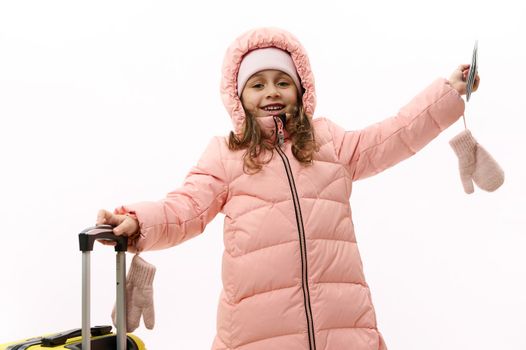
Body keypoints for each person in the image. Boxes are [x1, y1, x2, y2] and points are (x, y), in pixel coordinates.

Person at [96, 27, 479, 350]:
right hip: (257, 331)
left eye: (282, 82)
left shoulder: (330, 144)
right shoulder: (226, 156)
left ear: (300, 90)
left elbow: (394, 134)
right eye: (257, 84)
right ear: (239, 97)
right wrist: (138, 221)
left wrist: (448, 92)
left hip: (342, 324)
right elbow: (185, 208)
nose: (271, 92)